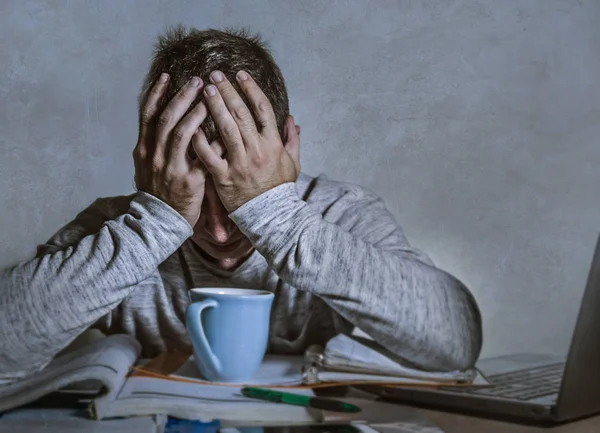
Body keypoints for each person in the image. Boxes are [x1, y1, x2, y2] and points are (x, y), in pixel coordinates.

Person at [0, 26, 482, 381]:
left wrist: (280, 221)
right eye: (191, 192)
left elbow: (457, 342)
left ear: (287, 149)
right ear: (150, 162)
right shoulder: (125, 229)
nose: (222, 231)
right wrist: (156, 224)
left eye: (239, 193)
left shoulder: (337, 213)